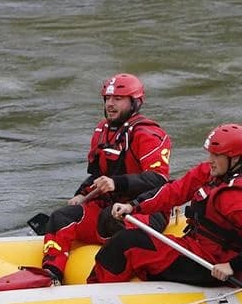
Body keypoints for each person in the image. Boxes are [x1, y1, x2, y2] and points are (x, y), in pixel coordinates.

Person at [88, 123, 242, 286]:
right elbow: (174, 192)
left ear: (236, 158)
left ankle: (96, 296)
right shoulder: (210, 172)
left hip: (211, 264)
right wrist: (133, 206)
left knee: (126, 243)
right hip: (195, 247)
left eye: (217, 156)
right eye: (210, 154)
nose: (211, 160)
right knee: (127, 238)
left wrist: (232, 266)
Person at [39, 73, 173, 283]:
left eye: (118, 99)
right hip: (110, 207)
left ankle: (105, 279)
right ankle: (51, 274)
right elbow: (96, 175)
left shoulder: (148, 134)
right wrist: (81, 194)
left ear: (135, 102)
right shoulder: (102, 130)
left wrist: (116, 183)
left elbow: (158, 180)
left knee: (113, 222)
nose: (110, 104)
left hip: (145, 210)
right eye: (107, 98)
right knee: (61, 217)